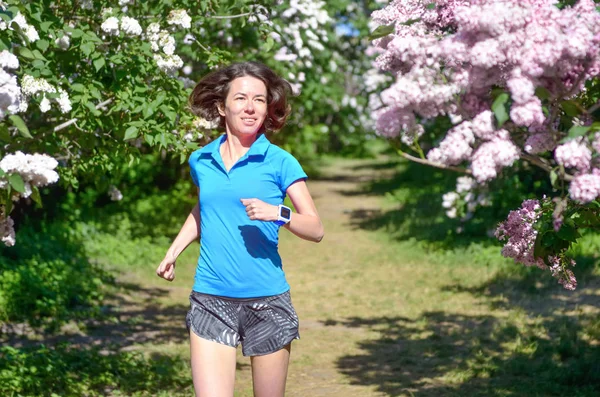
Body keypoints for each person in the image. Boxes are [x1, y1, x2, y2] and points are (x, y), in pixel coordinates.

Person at [156, 61, 324, 397]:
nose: (250, 107)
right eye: (242, 98)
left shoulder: (280, 161)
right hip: (210, 298)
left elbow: (316, 228)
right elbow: (205, 208)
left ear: (267, 108)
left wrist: (278, 213)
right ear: (222, 106)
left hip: (267, 302)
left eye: (260, 100)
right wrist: (174, 251)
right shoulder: (201, 160)